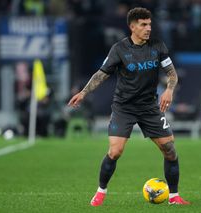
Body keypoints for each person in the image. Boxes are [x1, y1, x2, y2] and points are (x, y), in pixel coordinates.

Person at [68, 7, 190, 206]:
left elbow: (172, 74)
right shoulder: (119, 49)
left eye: (149, 24)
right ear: (132, 27)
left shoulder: (158, 46)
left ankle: (174, 197)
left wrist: (169, 90)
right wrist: (83, 93)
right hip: (124, 107)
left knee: (169, 149)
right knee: (115, 151)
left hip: (149, 107)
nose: (148, 28)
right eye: (143, 25)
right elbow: (101, 74)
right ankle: (101, 191)